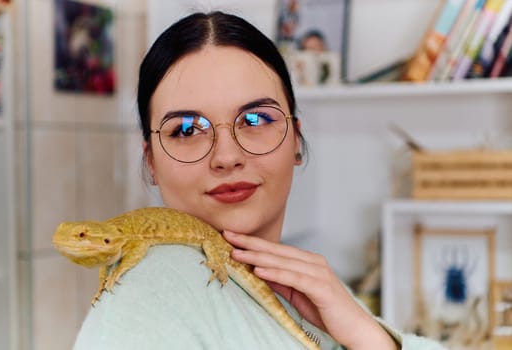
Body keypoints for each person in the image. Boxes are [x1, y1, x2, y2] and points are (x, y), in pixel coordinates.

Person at [73, 11, 445, 349]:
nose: (227, 157)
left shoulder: (319, 292)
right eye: (187, 129)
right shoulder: (146, 302)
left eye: (254, 120)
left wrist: (372, 339)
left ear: (296, 139)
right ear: (150, 161)